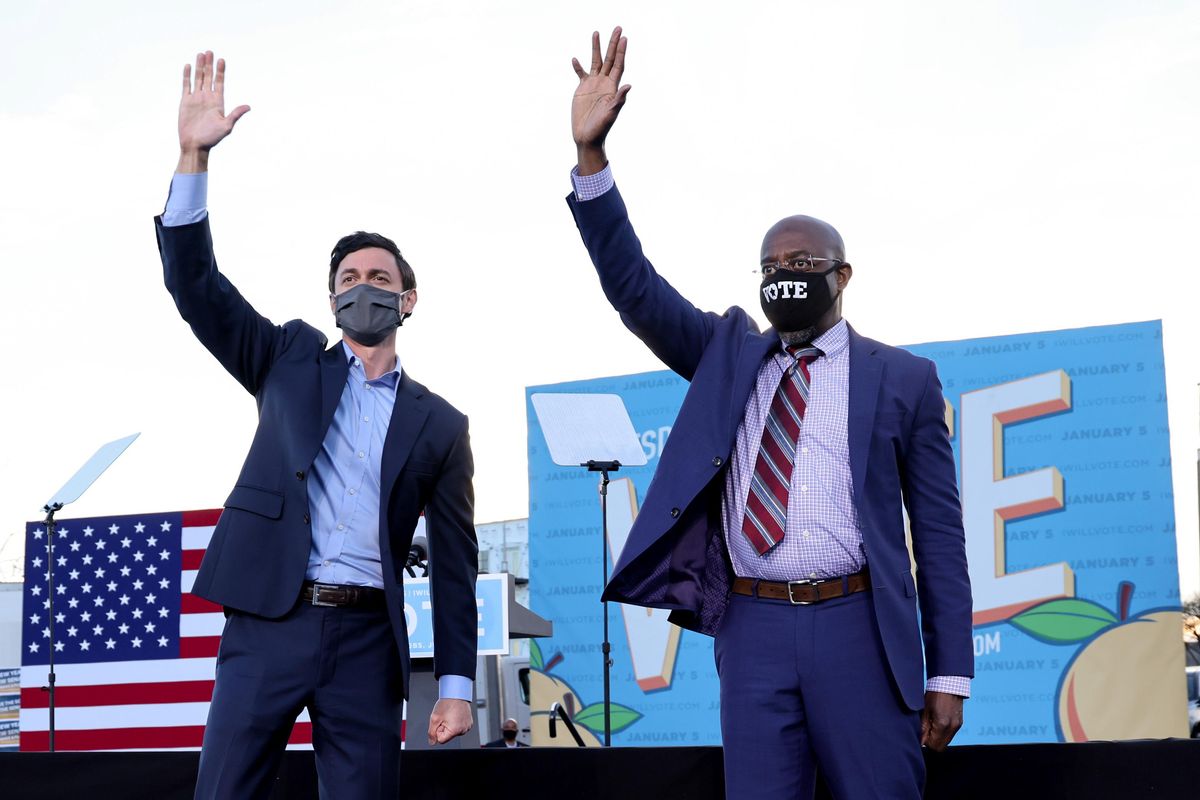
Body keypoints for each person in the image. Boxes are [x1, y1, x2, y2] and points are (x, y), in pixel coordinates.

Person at [565, 29, 973, 799]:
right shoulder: (729, 355)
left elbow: (940, 536)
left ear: (842, 274)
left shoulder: (905, 379)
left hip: (858, 625)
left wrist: (950, 669)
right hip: (751, 629)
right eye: (771, 267)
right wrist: (593, 160)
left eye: (801, 265)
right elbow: (635, 289)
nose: (784, 277)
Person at [156, 52, 478, 799]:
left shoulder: (441, 425)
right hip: (270, 620)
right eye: (348, 280)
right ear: (331, 299)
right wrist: (192, 158)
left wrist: (456, 684)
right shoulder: (286, 359)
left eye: (379, 280)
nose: (362, 288)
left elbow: (457, 565)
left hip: (368, 641)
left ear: (409, 300)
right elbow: (195, 286)